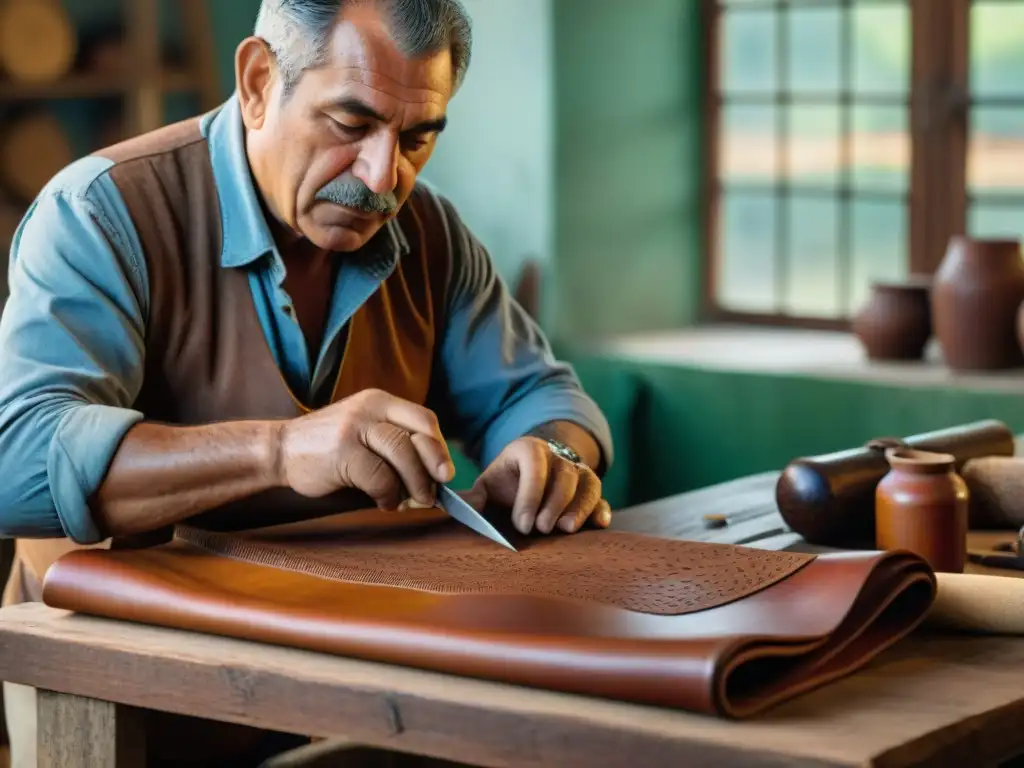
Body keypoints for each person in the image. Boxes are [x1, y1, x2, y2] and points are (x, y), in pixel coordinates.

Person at [0, 0, 613, 764]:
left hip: (342, 675)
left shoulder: (430, 235)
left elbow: (546, 397)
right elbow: (16, 468)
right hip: (116, 692)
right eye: (350, 125)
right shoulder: (99, 211)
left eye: (417, 136)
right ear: (259, 82)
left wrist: (552, 454)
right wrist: (279, 451)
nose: (383, 177)